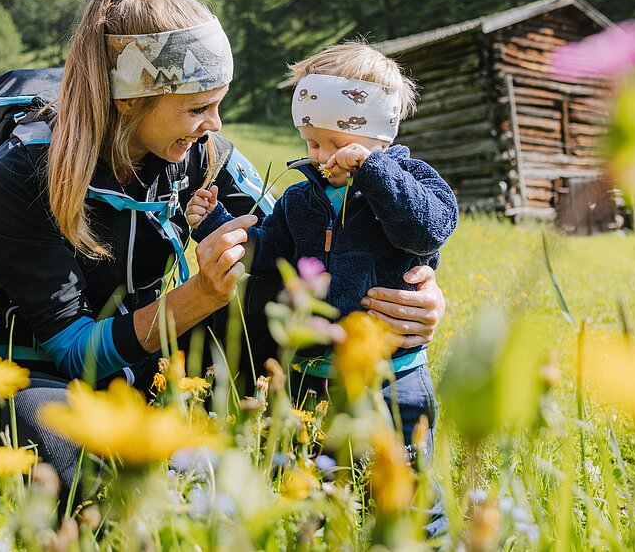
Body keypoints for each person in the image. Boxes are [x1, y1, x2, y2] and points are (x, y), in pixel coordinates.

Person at [0, 0, 446, 492]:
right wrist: (199, 295)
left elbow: (313, 243)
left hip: (157, 364)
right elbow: (73, 349)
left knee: (272, 291)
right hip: (47, 374)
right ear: (129, 98)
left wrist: (419, 293)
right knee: (81, 471)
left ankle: (312, 452)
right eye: (198, 108)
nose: (215, 125)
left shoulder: (199, 153)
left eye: (218, 103)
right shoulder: (25, 172)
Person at [186, 40, 457, 443]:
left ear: (380, 137)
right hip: (311, 373)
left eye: (338, 144)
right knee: (311, 468)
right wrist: (216, 225)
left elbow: (426, 230)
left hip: (391, 376)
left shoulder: (412, 182)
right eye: (312, 142)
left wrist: (373, 172)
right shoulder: (300, 199)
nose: (322, 156)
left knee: (402, 472)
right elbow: (270, 251)